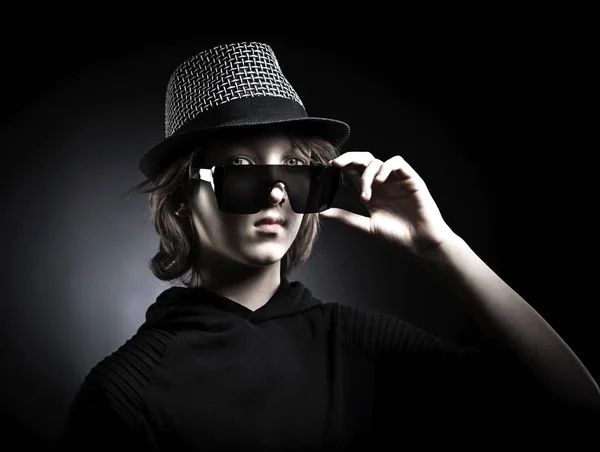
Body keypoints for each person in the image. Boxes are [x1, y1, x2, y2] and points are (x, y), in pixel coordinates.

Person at [60, 41, 599, 451]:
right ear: (181, 198)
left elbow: (572, 402)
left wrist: (441, 246)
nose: (276, 191)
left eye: (294, 168)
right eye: (241, 168)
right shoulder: (125, 393)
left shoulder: (358, 342)